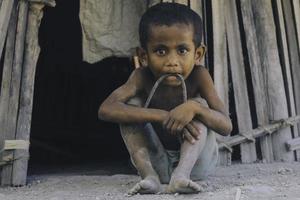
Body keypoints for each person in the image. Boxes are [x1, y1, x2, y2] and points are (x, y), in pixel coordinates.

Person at [98, 2, 232, 195]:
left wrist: (195, 109)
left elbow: (226, 126)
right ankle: (149, 177)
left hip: (196, 166)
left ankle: (180, 176)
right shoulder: (141, 77)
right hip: (156, 161)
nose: (172, 61)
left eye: (182, 50)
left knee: (199, 104)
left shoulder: (199, 76)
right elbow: (106, 109)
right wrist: (161, 115)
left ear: (198, 54)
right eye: (160, 51)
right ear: (143, 56)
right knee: (129, 107)